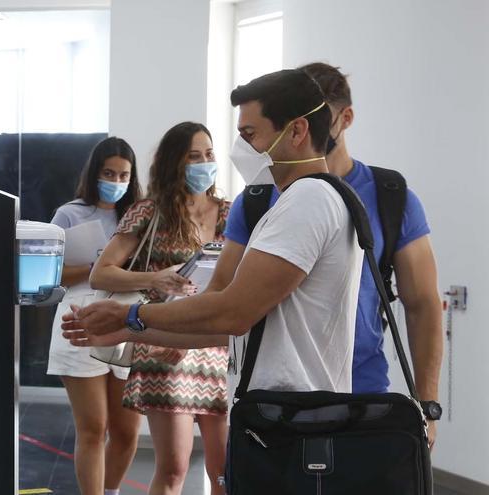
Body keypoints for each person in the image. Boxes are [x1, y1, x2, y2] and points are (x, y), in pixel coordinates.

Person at [62, 69, 362, 407]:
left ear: (296, 131)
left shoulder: (309, 200)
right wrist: (129, 331)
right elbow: (232, 328)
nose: (242, 148)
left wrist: (131, 315)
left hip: (292, 414)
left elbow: (232, 312)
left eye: (250, 134)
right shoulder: (303, 199)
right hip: (280, 413)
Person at [218, 62, 443, 447]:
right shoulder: (255, 200)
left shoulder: (390, 196)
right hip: (279, 400)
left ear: (343, 118)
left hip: (363, 394)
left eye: (322, 113)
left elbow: (422, 305)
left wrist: (427, 405)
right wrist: (138, 323)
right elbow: (222, 300)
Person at [87, 123, 231, 495]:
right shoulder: (148, 211)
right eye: (193, 156)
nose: (204, 163)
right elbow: (101, 274)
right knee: (173, 469)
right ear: (174, 163)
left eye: (209, 155)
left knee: (225, 472)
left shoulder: (233, 213)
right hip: (162, 344)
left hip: (214, 347)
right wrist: (153, 279)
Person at [46, 137, 143, 495]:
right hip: (79, 316)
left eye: (123, 174)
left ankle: (111, 490)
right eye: (108, 173)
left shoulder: (138, 214)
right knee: (93, 426)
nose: (115, 181)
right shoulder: (69, 213)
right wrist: (99, 267)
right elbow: (50, 273)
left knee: (127, 431)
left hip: (127, 320)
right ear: (94, 173)